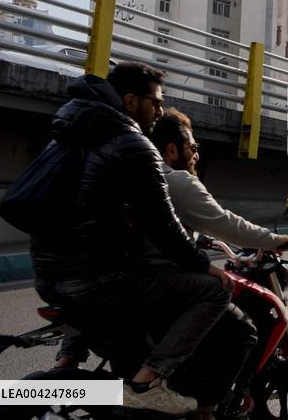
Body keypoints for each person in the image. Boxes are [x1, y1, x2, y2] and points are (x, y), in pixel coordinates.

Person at [30, 62, 232, 415]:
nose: (158, 110)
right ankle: (146, 384)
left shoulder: (70, 136)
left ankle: (67, 365)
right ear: (129, 101)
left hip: (48, 276)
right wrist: (205, 266)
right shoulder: (132, 144)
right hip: (99, 280)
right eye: (154, 102)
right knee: (215, 289)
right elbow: (162, 225)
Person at [146, 108, 288, 418]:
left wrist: (195, 241)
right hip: (156, 284)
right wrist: (272, 240)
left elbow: (165, 228)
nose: (196, 154)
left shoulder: (128, 172)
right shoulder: (177, 182)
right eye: (193, 147)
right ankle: (206, 410)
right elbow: (225, 223)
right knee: (243, 331)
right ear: (172, 150)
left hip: (105, 283)